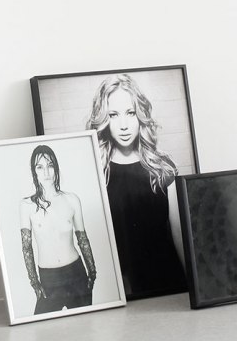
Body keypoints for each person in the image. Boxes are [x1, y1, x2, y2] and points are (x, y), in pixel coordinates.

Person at [86, 73, 185, 298]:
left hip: (167, 282)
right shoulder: (96, 171)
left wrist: (191, 283)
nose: (123, 125)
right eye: (113, 115)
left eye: (130, 113)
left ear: (140, 114)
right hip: (120, 289)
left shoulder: (163, 167)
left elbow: (179, 233)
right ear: (104, 119)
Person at [20, 144, 97, 314]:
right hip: (48, 279)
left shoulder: (72, 200)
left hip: (76, 274)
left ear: (56, 167)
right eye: (40, 167)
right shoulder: (27, 206)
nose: (46, 172)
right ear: (34, 171)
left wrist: (92, 271)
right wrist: (34, 282)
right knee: (44, 333)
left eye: (50, 165)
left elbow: (82, 239)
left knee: (84, 329)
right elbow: (26, 248)